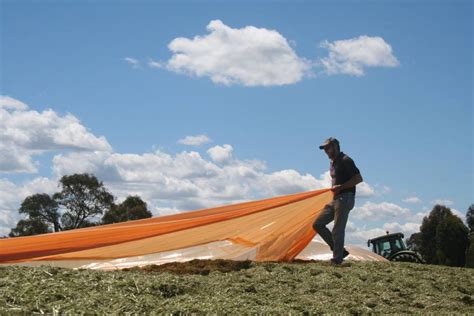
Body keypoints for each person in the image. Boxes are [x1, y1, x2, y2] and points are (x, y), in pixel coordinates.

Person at [312, 137, 363, 264]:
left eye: (328, 148)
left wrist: (341, 187)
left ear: (335, 146)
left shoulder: (346, 160)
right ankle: (338, 250)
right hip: (336, 199)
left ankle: (337, 259)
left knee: (337, 229)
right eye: (324, 149)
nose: (325, 151)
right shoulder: (333, 163)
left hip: (346, 198)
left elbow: (358, 178)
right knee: (318, 224)